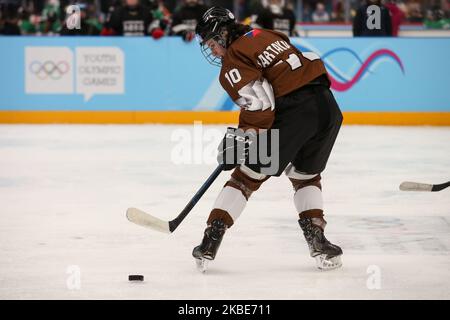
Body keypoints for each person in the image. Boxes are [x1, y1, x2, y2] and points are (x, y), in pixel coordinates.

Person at [192, 7, 343, 272]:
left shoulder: (234, 58)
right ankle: (318, 240)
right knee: (306, 176)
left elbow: (260, 105)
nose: (213, 51)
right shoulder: (266, 34)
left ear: (224, 34)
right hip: (327, 109)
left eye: (213, 43)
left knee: (245, 178)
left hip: (294, 112)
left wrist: (242, 138)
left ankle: (210, 241)